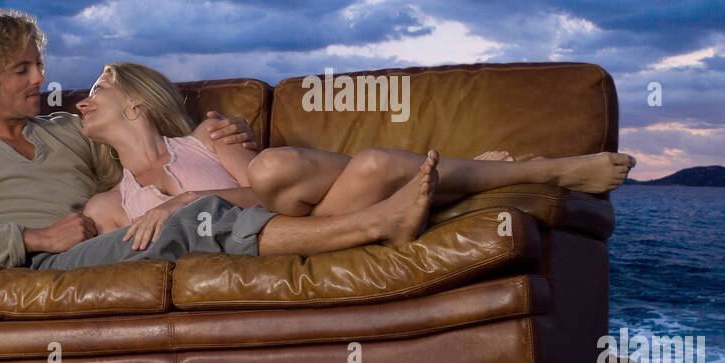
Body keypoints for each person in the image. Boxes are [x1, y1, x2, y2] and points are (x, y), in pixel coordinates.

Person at [0, 8, 442, 271]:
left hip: (104, 245)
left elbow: (153, 153)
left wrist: (231, 139)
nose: (42, 79)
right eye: (22, 70)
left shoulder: (67, 132)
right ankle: (372, 224)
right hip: (48, 267)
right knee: (188, 216)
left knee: (188, 207)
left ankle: (377, 197)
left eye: (39, 65)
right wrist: (37, 239)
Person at [74, 62, 637, 251]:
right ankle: (500, 175)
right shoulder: (115, 200)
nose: (80, 100)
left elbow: (270, 200)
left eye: (98, 88)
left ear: (137, 104)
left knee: (288, 168)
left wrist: (195, 200)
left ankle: (546, 170)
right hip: (279, 248)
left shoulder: (209, 137)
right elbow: (53, 246)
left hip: (300, 217)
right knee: (370, 168)